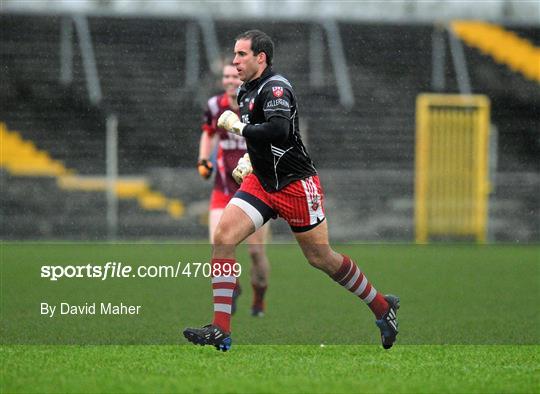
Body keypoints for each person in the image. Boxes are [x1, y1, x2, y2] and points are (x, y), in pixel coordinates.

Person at [184, 30, 399, 351]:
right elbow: (264, 140)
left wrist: (237, 128)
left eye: (241, 54)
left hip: (295, 185)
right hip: (262, 182)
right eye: (234, 54)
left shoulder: (276, 88)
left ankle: (383, 307)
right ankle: (221, 328)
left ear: (261, 58)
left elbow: (280, 130)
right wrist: (248, 159)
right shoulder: (246, 90)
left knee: (321, 257)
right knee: (223, 237)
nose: (234, 61)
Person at [196, 61, 270, 317]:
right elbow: (208, 133)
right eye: (226, 77)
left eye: (234, 77)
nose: (229, 81)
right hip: (223, 189)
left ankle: (259, 297)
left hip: (255, 191)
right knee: (217, 245)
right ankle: (233, 288)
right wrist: (203, 160)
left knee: (256, 252)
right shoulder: (215, 106)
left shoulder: (256, 104)